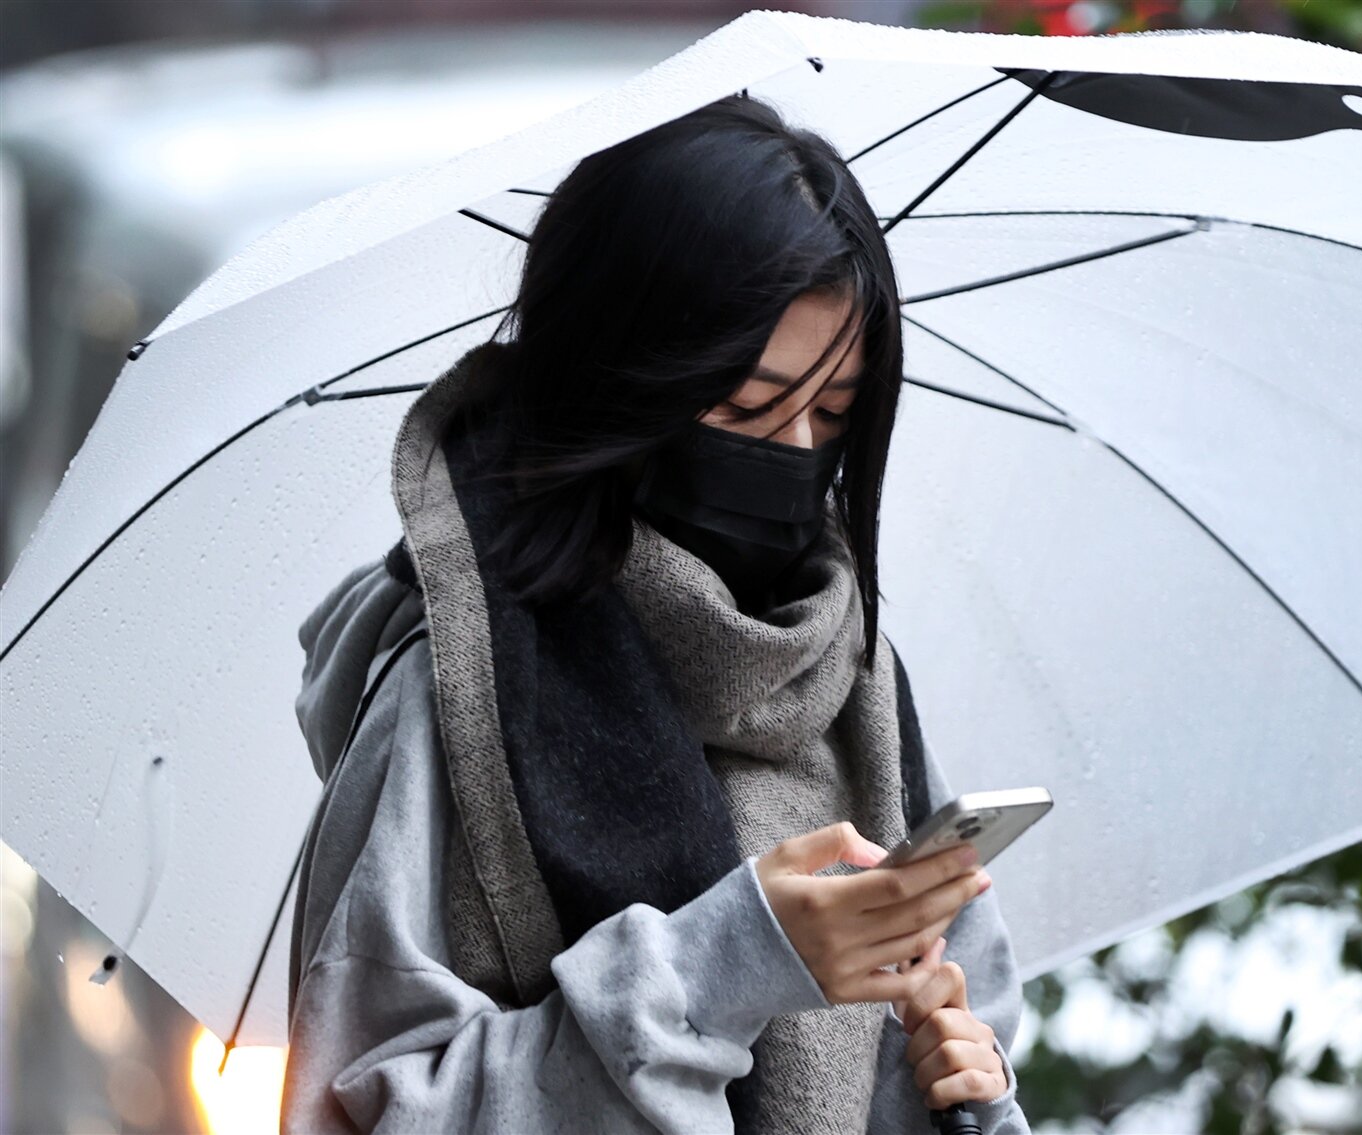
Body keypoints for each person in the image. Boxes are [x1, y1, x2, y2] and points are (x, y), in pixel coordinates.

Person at [281, 92, 1031, 1134]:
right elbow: (355, 1103)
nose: (798, 453)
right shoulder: (459, 674)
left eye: (835, 411)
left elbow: (964, 1009)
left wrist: (960, 1095)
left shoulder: (850, 671)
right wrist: (732, 963)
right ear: (615, 381)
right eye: (743, 408)